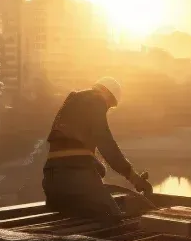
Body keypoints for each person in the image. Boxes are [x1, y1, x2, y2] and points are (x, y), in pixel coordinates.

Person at [42, 76, 153, 220]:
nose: (107, 108)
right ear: (106, 93)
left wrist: (95, 165)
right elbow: (106, 144)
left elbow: (70, 150)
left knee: (79, 219)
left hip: (51, 183)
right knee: (113, 218)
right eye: (110, 104)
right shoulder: (96, 100)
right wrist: (134, 177)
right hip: (76, 179)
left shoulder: (72, 103)